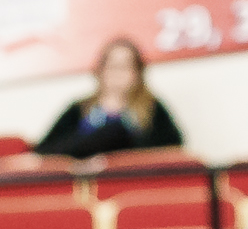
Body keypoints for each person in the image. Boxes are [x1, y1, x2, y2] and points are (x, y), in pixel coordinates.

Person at [33, 38, 183, 159]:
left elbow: (173, 148)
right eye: (112, 66)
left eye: (125, 66)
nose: (118, 73)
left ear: (138, 72)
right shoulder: (78, 109)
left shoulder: (152, 108)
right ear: (100, 70)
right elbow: (45, 150)